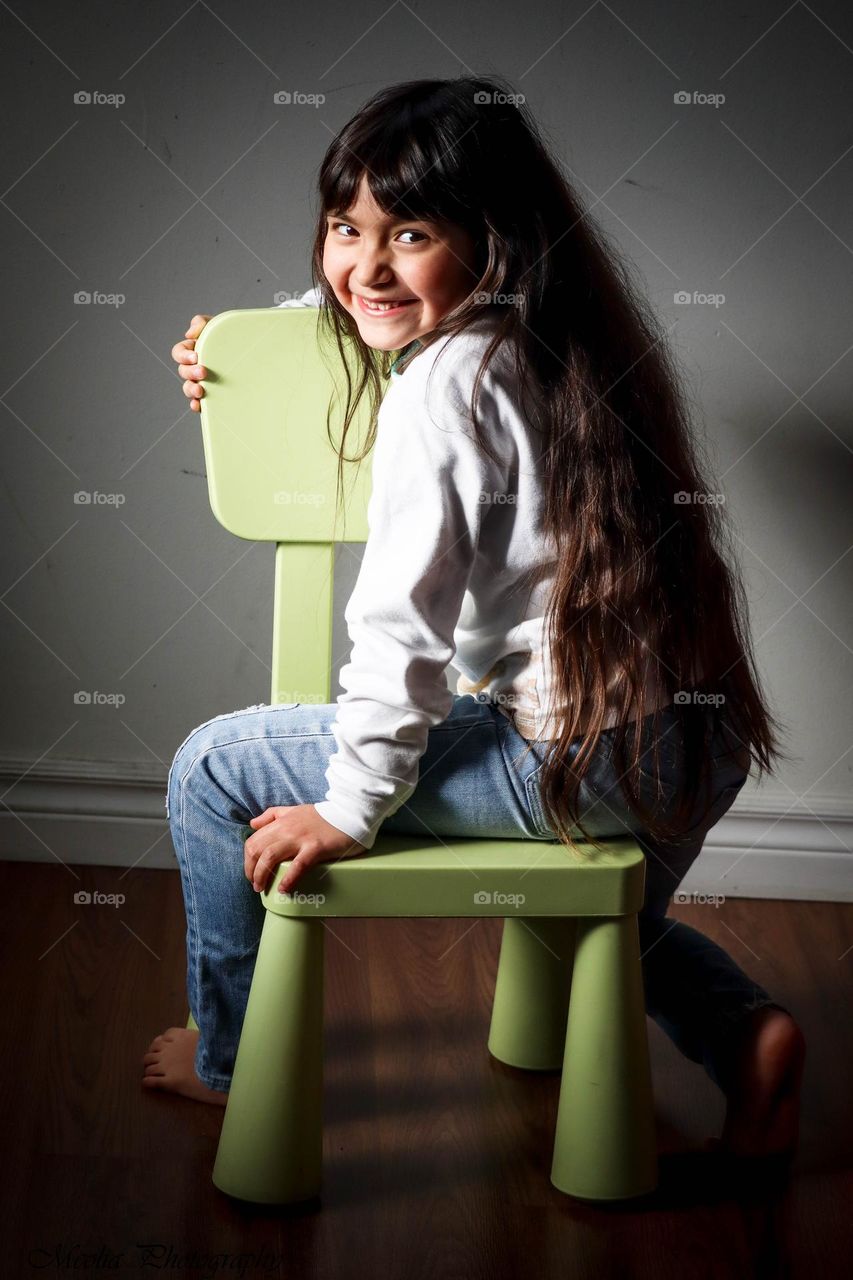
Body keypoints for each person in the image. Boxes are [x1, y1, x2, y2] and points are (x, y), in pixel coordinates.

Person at [145, 75, 805, 1164]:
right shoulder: (570, 337)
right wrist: (252, 343)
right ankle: (743, 1032)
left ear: (492, 241)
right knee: (606, 924)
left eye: (408, 233)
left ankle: (229, 1063)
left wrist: (352, 807)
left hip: (576, 757)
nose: (365, 264)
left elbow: (399, 625)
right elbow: (382, 300)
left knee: (210, 768)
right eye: (345, 227)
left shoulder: (440, 391)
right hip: (686, 742)